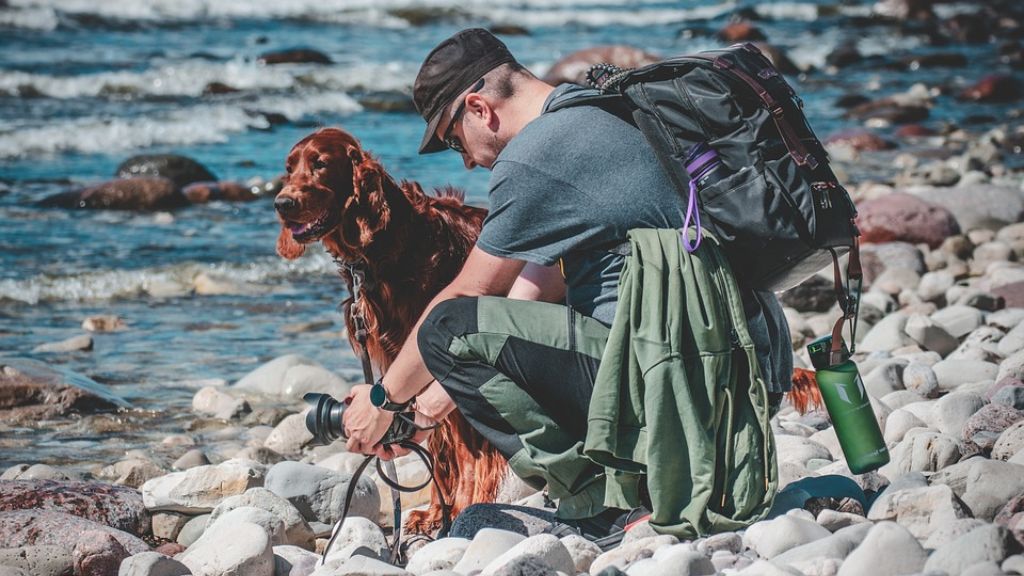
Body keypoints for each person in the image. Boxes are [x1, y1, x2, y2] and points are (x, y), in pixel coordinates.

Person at [342, 28, 793, 544]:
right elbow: (537, 290)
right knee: (464, 337)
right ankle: (643, 474)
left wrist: (381, 401)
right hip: (746, 369)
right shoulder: (603, 111)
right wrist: (427, 405)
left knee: (446, 327)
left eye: (451, 138)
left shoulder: (535, 154)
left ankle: (604, 506)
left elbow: (466, 301)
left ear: (479, 108)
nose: (463, 159)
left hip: (691, 384)